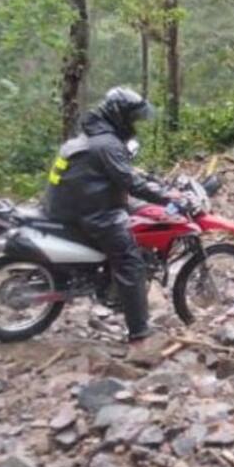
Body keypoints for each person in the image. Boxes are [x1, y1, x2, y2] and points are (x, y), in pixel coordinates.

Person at [44, 88, 181, 344]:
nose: (134, 123)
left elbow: (121, 174)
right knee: (130, 262)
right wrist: (168, 197)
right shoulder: (106, 143)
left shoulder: (94, 137)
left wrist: (151, 183)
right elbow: (130, 183)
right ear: (119, 115)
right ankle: (139, 330)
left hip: (75, 204)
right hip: (92, 212)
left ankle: (109, 286)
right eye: (132, 118)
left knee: (136, 211)